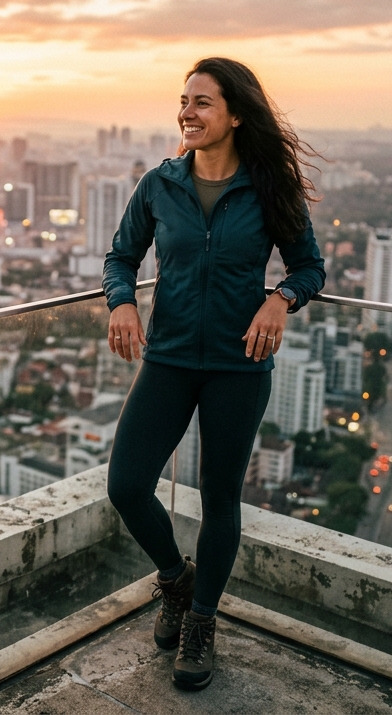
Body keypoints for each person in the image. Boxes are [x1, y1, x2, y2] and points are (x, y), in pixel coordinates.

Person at [102, 57, 326, 691]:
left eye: (202, 102)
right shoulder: (159, 184)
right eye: (183, 101)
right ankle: (176, 580)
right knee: (126, 484)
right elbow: (122, 256)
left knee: (220, 498)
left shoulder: (267, 187)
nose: (187, 112)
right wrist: (121, 299)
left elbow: (309, 266)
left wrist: (280, 300)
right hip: (168, 359)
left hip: (239, 366)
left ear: (234, 114)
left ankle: (201, 623)